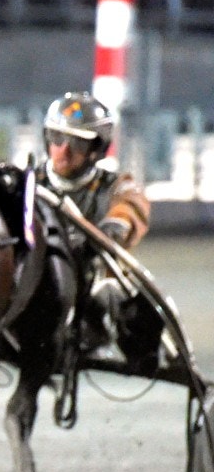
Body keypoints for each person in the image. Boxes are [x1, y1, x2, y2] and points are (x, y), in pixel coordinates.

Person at [38, 91, 159, 372]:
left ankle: (116, 339)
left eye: (76, 143)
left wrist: (114, 228)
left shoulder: (115, 186)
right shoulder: (28, 183)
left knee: (114, 289)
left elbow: (132, 207)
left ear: (97, 149)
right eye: (57, 139)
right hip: (40, 277)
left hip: (92, 278)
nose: (63, 151)